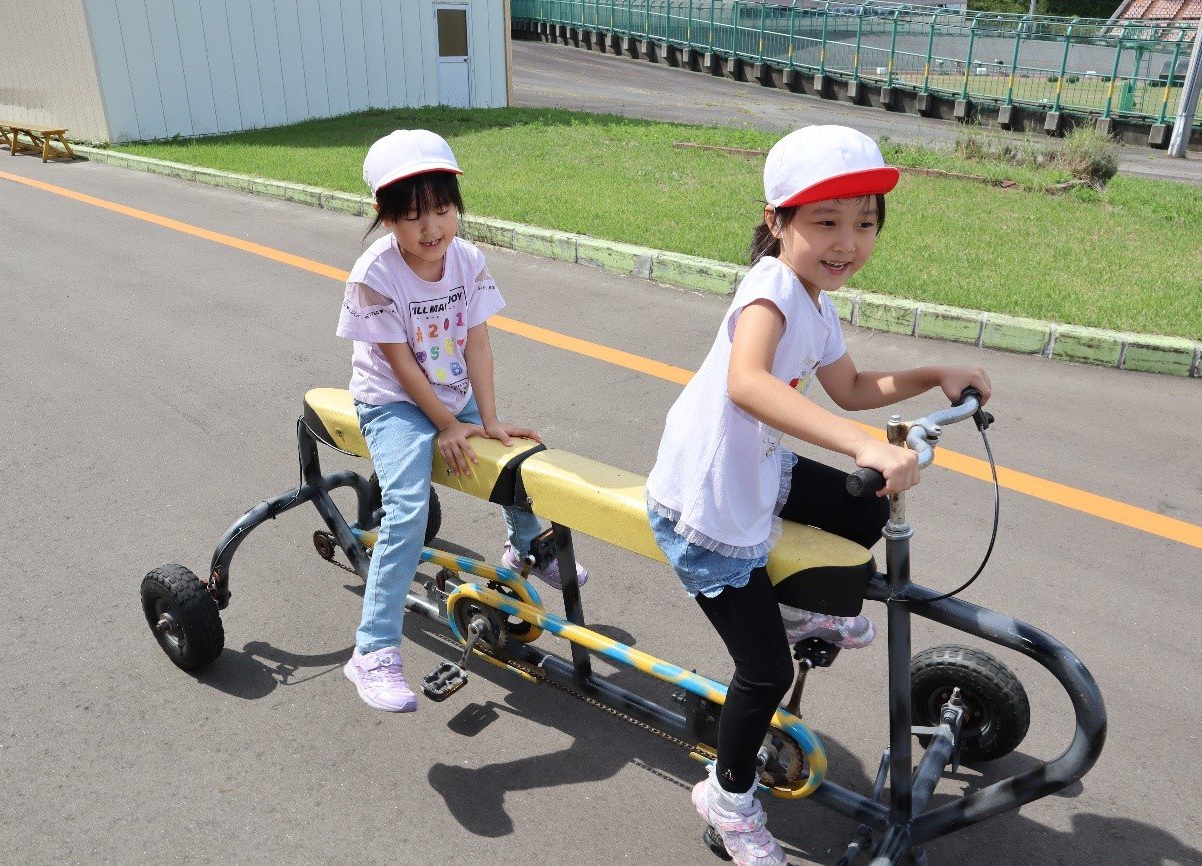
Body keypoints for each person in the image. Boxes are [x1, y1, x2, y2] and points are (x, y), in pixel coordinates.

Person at [645, 125, 991, 865]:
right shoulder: (769, 285)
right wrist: (862, 444)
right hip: (704, 506)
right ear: (776, 222)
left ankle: (802, 610)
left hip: (757, 476)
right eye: (825, 222)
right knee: (765, 671)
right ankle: (727, 797)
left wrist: (934, 372)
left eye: (864, 223)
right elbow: (748, 383)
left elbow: (852, 388)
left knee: (865, 504)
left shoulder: (817, 302)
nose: (848, 242)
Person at [336, 129, 586, 713]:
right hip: (394, 400)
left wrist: (489, 420)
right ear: (386, 217)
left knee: (519, 457)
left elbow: (478, 344)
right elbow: (398, 363)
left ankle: (525, 546)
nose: (433, 229)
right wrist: (447, 424)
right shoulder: (376, 273)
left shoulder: (468, 259)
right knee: (406, 507)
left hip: (450, 391)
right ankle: (371, 651)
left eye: (443, 210)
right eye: (415, 217)